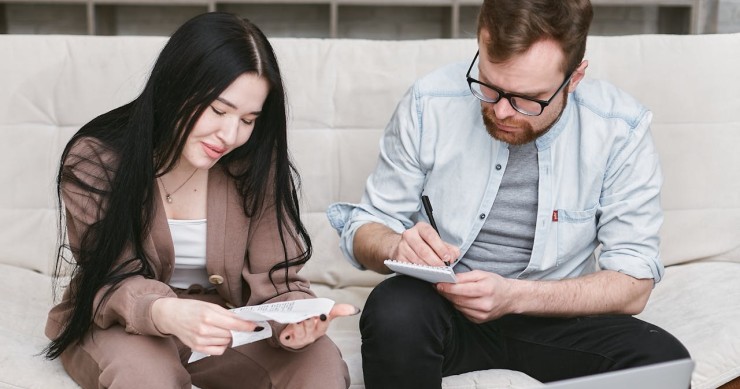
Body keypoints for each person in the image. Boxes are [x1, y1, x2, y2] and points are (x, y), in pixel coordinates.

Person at [326, 1, 690, 388]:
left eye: (526, 99)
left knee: (663, 362)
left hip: (558, 319)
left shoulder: (620, 129)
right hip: (444, 309)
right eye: (488, 85)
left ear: (575, 76)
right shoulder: (429, 102)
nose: (500, 111)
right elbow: (365, 226)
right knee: (392, 310)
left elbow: (633, 284)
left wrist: (515, 296)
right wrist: (395, 246)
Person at [43, 12, 356, 389]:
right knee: (147, 377)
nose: (230, 135)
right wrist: (167, 311)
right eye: (219, 110)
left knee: (318, 362)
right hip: (121, 321)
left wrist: (294, 321)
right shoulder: (96, 161)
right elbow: (110, 278)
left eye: (248, 119)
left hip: (223, 322)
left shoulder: (255, 164)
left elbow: (278, 279)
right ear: (177, 86)